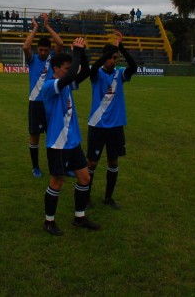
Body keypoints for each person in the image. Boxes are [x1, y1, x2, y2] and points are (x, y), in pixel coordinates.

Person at [40, 37, 100, 236]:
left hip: (72, 143)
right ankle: (49, 222)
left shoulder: (66, 84)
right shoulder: (50, 86)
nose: (68, 71)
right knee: (56, 182)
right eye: (65, 68)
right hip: (58, 145)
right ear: (55, 69)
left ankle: (79, 218)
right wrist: (76, 55)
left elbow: (85, 72)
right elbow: (71, 74)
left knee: (84, 178)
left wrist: (81, 54)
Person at [86, 30, 137, 209]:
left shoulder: (120, 74)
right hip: (97, 125)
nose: (113, 61)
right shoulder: (96, 74)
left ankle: (108, 198)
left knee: (113, 162)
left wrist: (120, 47)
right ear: (104, 57)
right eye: (110, 58)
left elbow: (134, 67)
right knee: (92, 163)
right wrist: (109, 50)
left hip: (116, 127)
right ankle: (86, 197)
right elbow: (92, 69)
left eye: (115, 58)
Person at [22, 13, 64, 178]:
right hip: (35, 103)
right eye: (41, 49)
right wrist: (35, 28)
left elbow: (60, 43)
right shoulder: (32, 60)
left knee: (54, 136)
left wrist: (47, 26)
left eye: (46, 50)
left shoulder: (52, 60)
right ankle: (35, 167)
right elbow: (25, 47)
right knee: (34, 136)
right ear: (37, 49)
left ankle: (56, 166)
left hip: (50, 103)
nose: (43, 52)